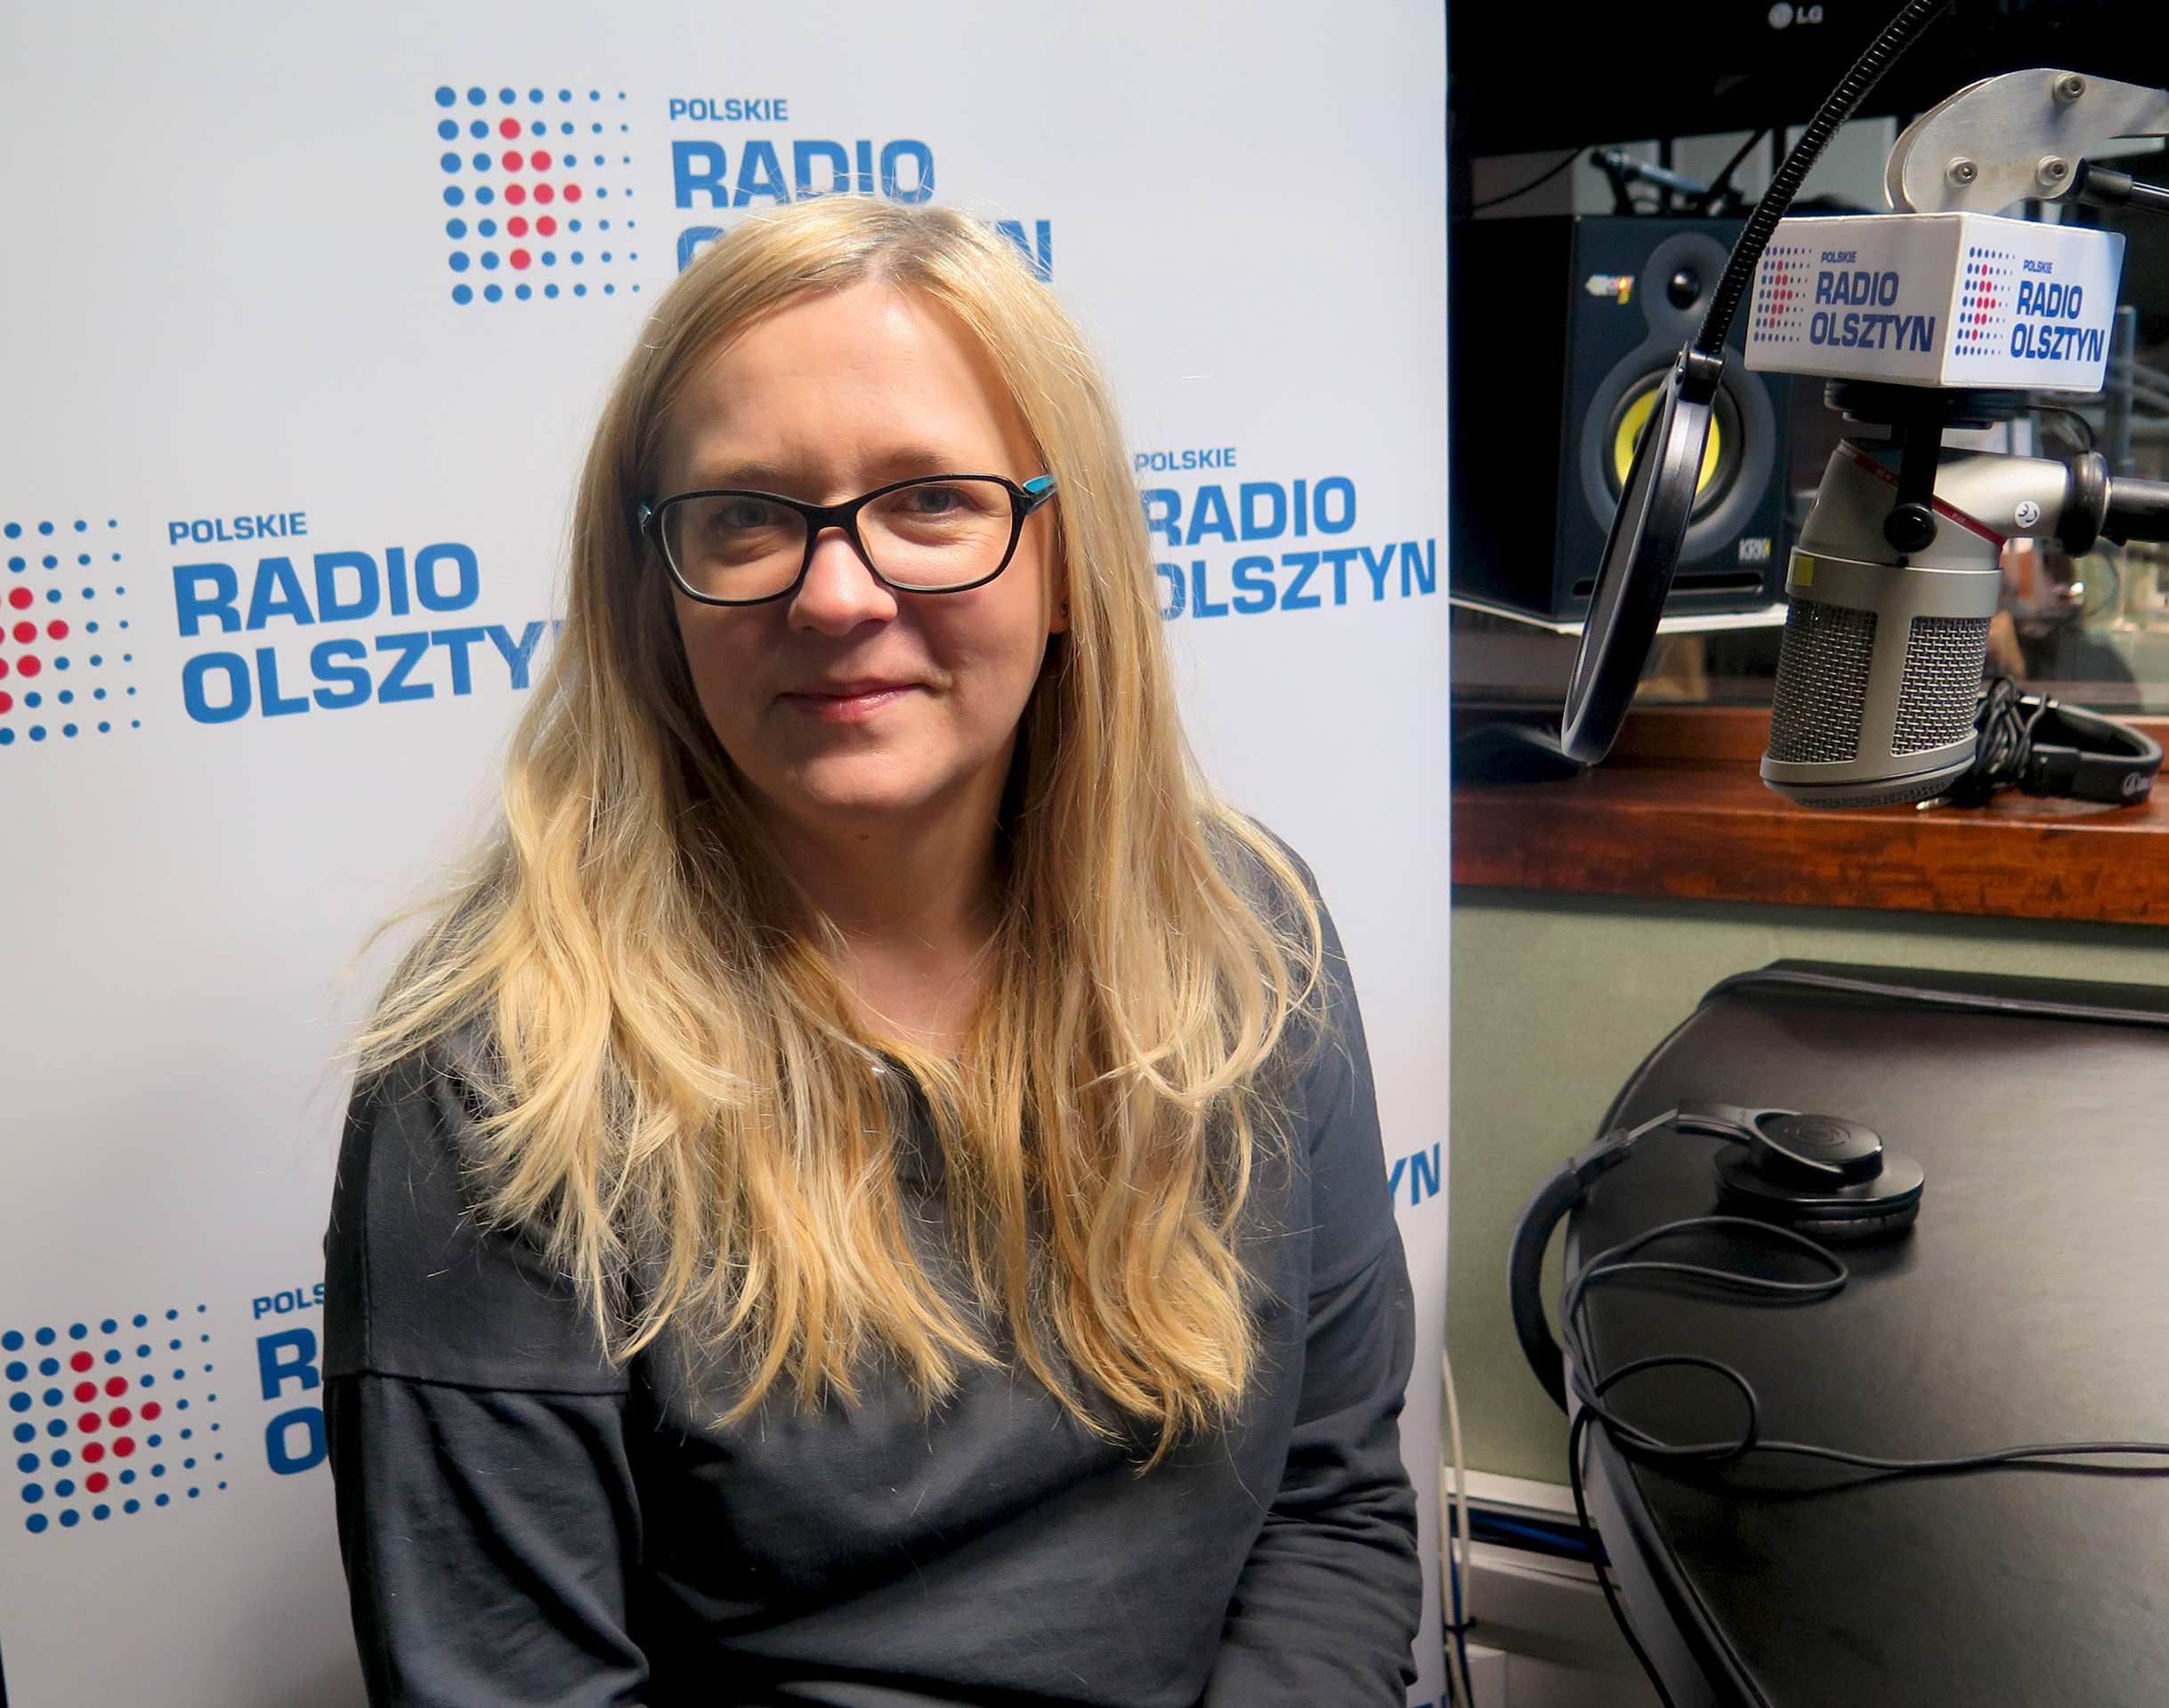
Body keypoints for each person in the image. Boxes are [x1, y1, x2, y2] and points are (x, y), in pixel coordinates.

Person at [324, 196, 1420, 1708]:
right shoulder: (497, 1077)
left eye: (932, 501)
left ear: (1067, 559)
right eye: (744, 516)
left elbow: (1331, 1514)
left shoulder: (1250, 943)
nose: (837, 594)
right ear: (655, 589)